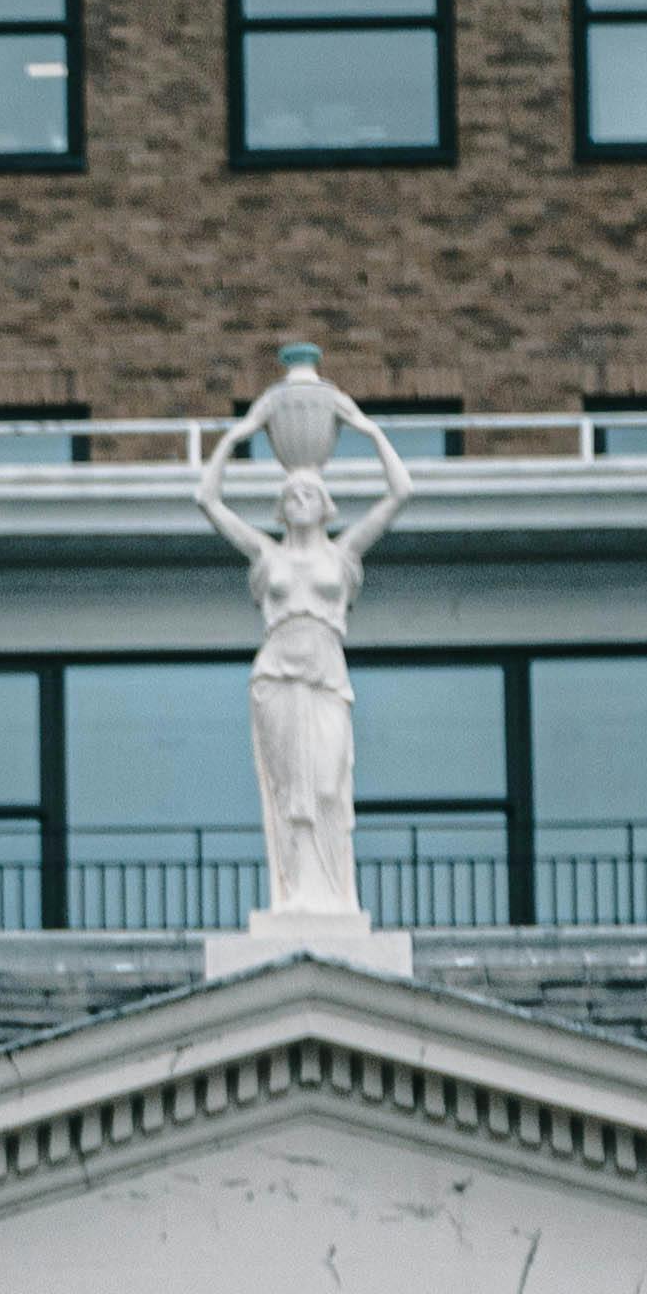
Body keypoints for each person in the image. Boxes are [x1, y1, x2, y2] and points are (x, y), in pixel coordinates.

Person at [197, 363, 420, 921]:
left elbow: (402, 491)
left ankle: (333, 897)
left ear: (325, 505)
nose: (299, 496)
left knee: (326, 786)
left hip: (325, 676)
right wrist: (240, 432)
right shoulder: (266, 555)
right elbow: (207, 499)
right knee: (286, 793)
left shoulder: (343, 554)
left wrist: (366, 428)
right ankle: (294, 895)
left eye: (309, 492)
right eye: (291, 492)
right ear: (281, 506)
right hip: (277, 677)